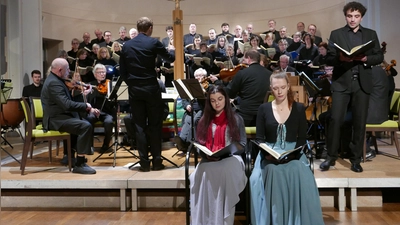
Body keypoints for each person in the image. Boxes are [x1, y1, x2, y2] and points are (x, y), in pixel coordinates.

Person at [249, 72, 324, 225]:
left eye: (283, 87)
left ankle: (294, 219)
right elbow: (260, 139)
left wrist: (292, 155)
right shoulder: (263, 109)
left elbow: (302, 138)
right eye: (276, 88)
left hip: (293, 153)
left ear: (288, 87)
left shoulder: (298, 108)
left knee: (297, 169)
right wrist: (267, 155)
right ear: (271, 89)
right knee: (271, 171)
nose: (280, 91)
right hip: (269, 152)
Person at [320, 1, 383, 173]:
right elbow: (329, 59)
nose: (352, 19)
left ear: (361, 17)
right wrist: (340, 59)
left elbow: (378, 56)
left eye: (356, 16)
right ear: (345, 16)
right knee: (335, 120)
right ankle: (331, 157)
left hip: (362, 83)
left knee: (359, 122)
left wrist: (365, 59)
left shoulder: (370, 34)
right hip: (342, 82)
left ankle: (356, 159)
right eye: (349, 16)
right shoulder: (336, 34)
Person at [119, 16, 175, 172]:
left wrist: (132, 83)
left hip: (135, 90)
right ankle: (157, 162)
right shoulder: (153, 42)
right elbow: (171, 58)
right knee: (155, 125)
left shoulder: (127, 45)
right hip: (151, 89)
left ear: (138, 29)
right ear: (150, 28)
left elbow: (123, 71)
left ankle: (144, 163)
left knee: (139, 126)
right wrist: (172, 49)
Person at [189, 85, 247, 225]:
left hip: (231, 158)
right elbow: (198, 144)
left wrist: (231, 150)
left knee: (225, 171)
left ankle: (224, 219)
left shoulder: (236, 118)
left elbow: (243, 144)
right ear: (209, 102)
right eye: (213, 100)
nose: (217, 103)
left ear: (226, 99)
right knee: (201, 171)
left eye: (220, 99)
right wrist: (204, 153)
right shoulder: (203, 120)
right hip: (209, 159)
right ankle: (206, 220)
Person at [41, 58, 100, 174]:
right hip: (54, 119)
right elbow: (66, 104)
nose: (69, 72)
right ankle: (80, 163)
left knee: (80, 120)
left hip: (60, 116)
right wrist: (85, 106)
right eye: (68, 69)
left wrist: (87, 106)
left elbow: (68, 101)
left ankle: (72, 157)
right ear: (60, 70)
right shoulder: (54, 83)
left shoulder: (56, 80)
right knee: (85, 126)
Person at [226, 50, 271, 126]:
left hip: (245, 116)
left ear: (249, 58)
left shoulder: (242, 73)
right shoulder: (270, 74)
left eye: (244, 59)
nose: (243, 62)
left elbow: (230, 93)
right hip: (264, 117)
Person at [174, 68, 207, 153]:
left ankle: (190, 143)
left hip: (202, 110)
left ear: (205, 77)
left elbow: (207, 102)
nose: (198, 77)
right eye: (196, 76)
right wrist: (187, 105)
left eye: (200, 76)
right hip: (191, 110)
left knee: (194, 121)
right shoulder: (190, 87)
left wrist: (204, 92)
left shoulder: (208, 86)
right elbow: (184, 99)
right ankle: (182, 141)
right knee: (187, 120)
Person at [86, 64, 115, 153]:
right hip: (94, 111)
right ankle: (89, 146)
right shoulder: (91, 85)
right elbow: (88, 100)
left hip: (107, 112)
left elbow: (114, 101)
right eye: (100, 72)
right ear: (95, 74)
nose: (103, 74)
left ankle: (106, 144)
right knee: (89, 119)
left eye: (104, 72)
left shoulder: (109, 84)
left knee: (109, 122)